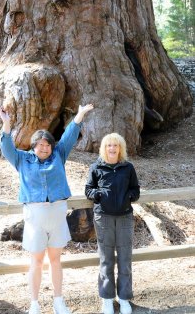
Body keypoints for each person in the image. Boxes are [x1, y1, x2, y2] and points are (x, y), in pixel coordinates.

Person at [0, 104, 93, 314]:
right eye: (40, 144)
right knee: (36, 260)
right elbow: (6, 147)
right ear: (34, 146)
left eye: (47, 144)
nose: (44, 148)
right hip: (35, 217)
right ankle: (34, 303)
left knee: (55, 259)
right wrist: (6, 124)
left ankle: (58, 301)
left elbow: (69, 136)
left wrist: (79, 115)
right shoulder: (22, 160)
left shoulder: (58, 156)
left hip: (57, 215)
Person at [85, 133, 140, 314]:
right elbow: (89, 189)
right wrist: (97, 195)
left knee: (125, 259)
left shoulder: (128, 167)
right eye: (109, 145)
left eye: (115, 145)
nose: (112, 148)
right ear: (104, 148)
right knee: (106, 259)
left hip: (124, 217)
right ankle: (107, 298)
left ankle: (124, 298)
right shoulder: (96, 167)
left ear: (120, 148)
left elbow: (135, 188)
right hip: (104, 218)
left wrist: (131, 196)